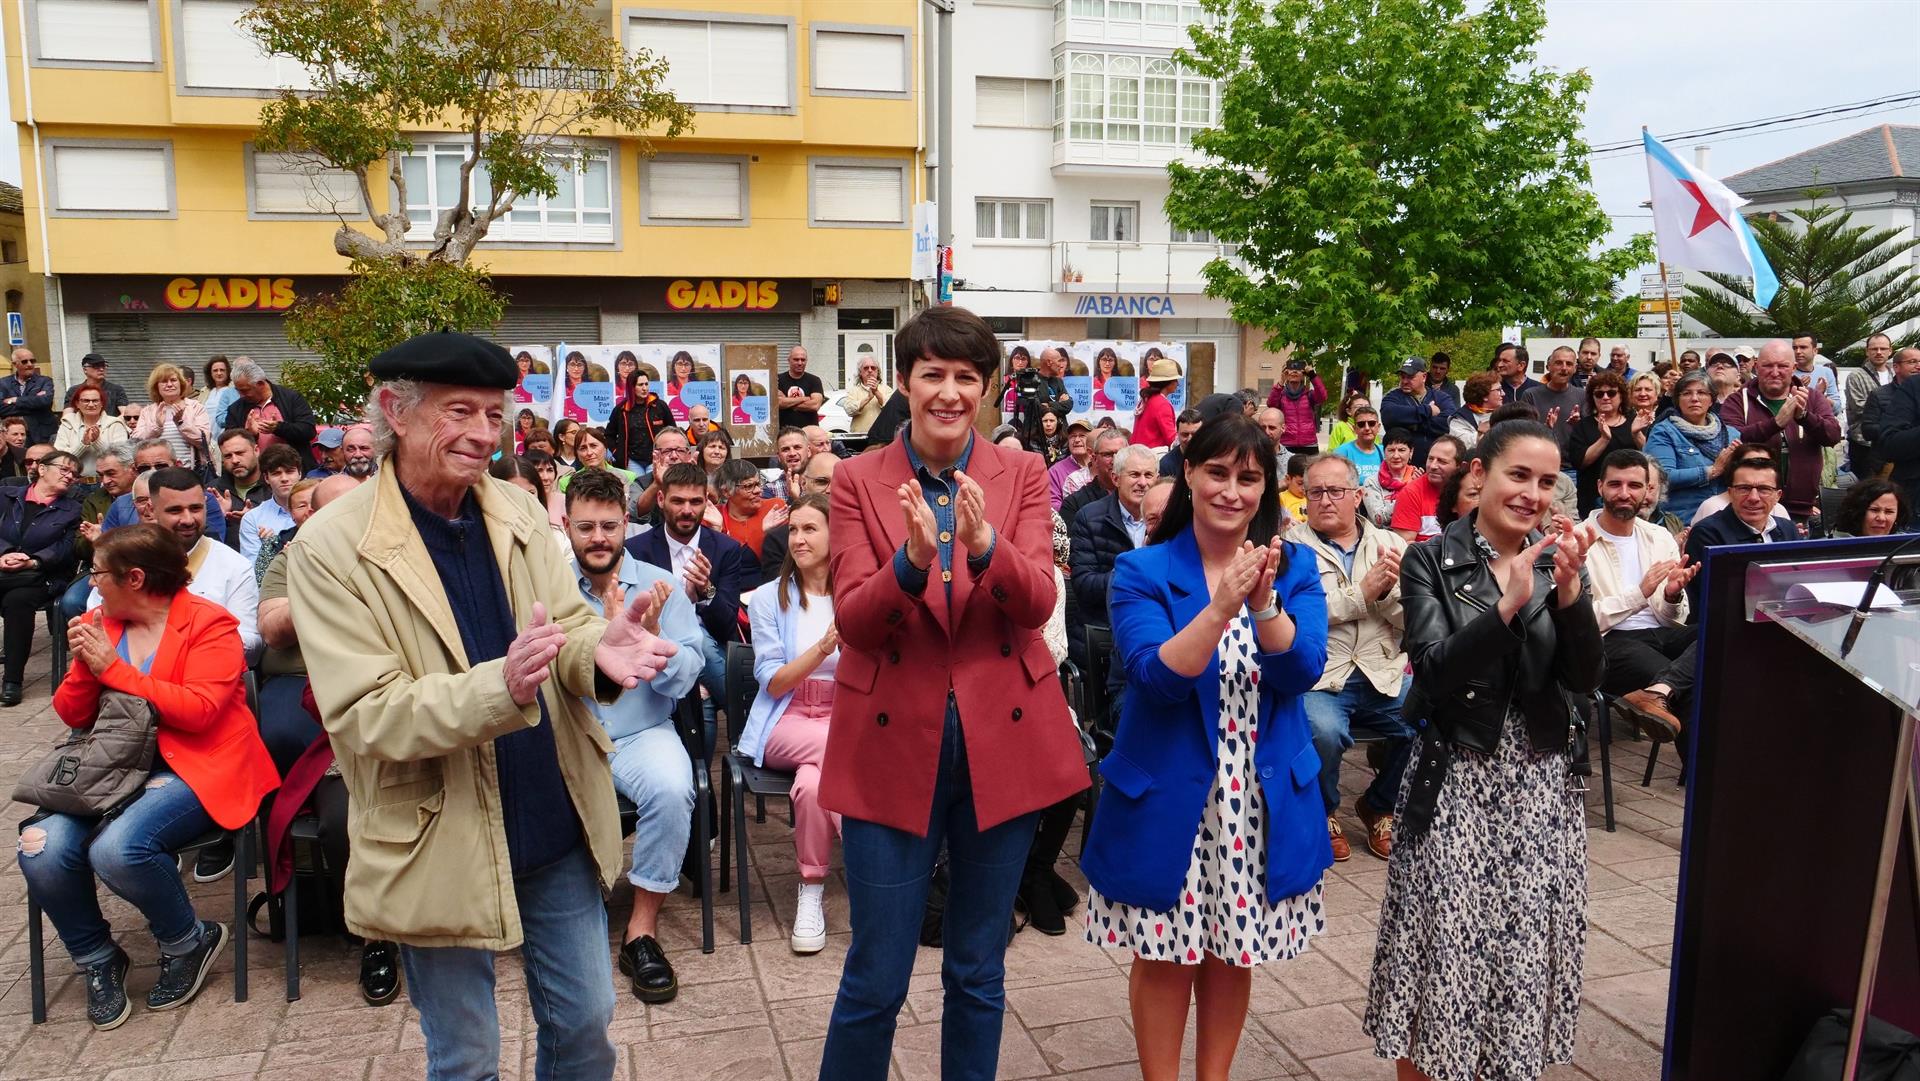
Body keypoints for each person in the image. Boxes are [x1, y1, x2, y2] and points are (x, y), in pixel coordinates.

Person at [287, 330, 681, 1079]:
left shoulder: (518, 509)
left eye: (494, 414)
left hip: (549, 809)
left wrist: (595, 649)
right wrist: (500, 686)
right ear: (395, 414)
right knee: (466, 1056)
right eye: (458, 410)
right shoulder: (331, 548)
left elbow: (560, 625)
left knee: (587, 1026)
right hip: (437, 830)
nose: (480, 433)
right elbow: (367, 713)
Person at [818, 305, 1086, 1080]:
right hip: (889, 741)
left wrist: (984, 546)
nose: (948, 391)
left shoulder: (1023, 474)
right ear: (904, 382)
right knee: (877, 975)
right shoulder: (856, 479)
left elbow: (1038, 601)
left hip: (1001, 743)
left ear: (987, 387)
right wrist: (907, 564)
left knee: (978, 967)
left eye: (965, 376)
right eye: (931, 373)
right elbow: (854, 623)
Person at [1081, 412, 1331, 1081]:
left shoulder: (1295, 563)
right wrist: (1221, 606)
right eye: (1216, 471)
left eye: (1249, 477)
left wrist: (1265, 604)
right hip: (1169, 793)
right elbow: (1156, 678)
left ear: (1266, 487)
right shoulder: (1142, 569)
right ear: (1186, 474)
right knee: (1166, 957)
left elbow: (1302, 668)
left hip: (1259, 794)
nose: (1232, 490)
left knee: (1232, 951)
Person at [1364, 419, 1603, 1081]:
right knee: (1441, 959)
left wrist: (1572, 597)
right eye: (1518, 474)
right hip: (1458, 781)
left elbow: (1585, 679)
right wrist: (1507, 608)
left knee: (1519, 963)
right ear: (1481, 475)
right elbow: (1435, 672)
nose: (1530, 492)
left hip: (1540, 787)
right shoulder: (1431, 560)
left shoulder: (1560, 558)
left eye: (1546, 481)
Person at [20, 524, 279, 1028]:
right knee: (40, 846)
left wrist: (112, 669)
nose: (92, 585)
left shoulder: (210, 624)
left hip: (198, 761)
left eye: (98, 574)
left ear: (134, 578)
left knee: (116, 849)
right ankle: (98, 958)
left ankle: (188, 940)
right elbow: (74, 716)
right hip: (112, 764)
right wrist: (83, 667)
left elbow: (201, 712)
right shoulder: (102, 622)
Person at [561, 467, 705, 1004]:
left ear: (627, 522)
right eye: (585, 527)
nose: (598, 538)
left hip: (643, 730)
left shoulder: (658, 583)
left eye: (608, 526)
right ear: (568, 527)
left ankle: (641, 930)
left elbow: (691, 671)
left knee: (673, 788)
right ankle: (569, 917)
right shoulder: (548, 586)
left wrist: (655, 640)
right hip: (572, 733)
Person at [739, 492, 847, 953]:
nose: (797, 539)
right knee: (839, 760)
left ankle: (812, 889)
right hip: (787, 718)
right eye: (794, 530)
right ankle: (875, 869)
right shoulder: (768, 598)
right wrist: (823, 649)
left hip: (846, 716)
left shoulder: (855, 593)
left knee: (812, 787)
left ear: (834, 534)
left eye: (810, 529)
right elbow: (774, 682)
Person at [1290, 453, 1411, 864]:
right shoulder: (1291, 549)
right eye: (1316, 492)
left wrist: (1393, 594)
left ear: (1357, 496)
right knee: (1321, 730)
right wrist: (1363, 593)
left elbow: (1414, 618)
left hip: (1382, 670)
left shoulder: (1391, 544)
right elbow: (1295, 618)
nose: (1325, 500)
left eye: (1336, 491)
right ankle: (1324, 811)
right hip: (1321, 674)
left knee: (1435, 713)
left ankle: (1380, 804)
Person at [626, 461, 754, 751]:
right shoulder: (637, 550)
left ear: (706, 502)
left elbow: (725, 625)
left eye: (696, 502)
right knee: (697, 655)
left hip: (713, 648)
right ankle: (749, 722)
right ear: (661, 500)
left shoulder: (725, 549)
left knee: (703, 697)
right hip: (662, 648)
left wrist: (706, 591)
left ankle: (701, 786)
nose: (687, 510)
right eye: (678, 501)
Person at [1585, 450, 1698, 744]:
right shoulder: (1576, 541)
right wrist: (1639, 594)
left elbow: (1675, 619)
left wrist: (1673, 596)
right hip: (1608, 643)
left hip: (1660, 633)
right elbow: (1581, 625)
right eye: (1615, 484)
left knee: (1723, 633)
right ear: (1600, 487)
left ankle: (1657, 692)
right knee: (1694, 685)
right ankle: (1701, 785)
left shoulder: (1658, 536)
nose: (1624, 493)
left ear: (1648, 489)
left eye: (1634, 485)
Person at [1720, 339, 1841, 529]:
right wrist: (1775, 424)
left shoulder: (1812, 397)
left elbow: (1833, 435)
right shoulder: (1737, 401)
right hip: (1750, 507)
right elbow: (1731, 440)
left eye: (1782, 366)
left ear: (1793, 368)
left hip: (1801, 509)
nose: (1775, 372)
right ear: (1757, 366)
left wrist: (1804, 417)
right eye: (1768, 366)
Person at [0, 448, 81, 703]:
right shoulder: (6, 496)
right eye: (64, 469)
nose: (70, 476)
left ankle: (12, 680)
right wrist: (4, 553)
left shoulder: (72, 510)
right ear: (42, 469)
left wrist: (34, 561)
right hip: (3, 568)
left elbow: (67, 547)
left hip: (42, 576)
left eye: (75, 474)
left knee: (18, 601)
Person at [1684, 453, 1798, 608]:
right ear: (1730, 493)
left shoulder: (1788, 529)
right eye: (1744, 488)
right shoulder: (1707, 533)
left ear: (1777, 496)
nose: (1753, 497)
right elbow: (1713, 598)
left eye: (1764, 489)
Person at [1645, 370, 1741, 524]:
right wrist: (1712, 471)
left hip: (1728, 519)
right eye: (1687, 393)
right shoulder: (1664, 432)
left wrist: (1739, 464)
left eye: (1702, 393)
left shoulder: (1731, 435)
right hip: (1683, 520)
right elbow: (1661, 477)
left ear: (1711, 400)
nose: (1694, 399)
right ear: (1678, 400)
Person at [1567, 370, 1647, 515]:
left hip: (1630, 496)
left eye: (1611, 393)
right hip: (1592, 498)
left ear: (1621, 396)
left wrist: (1636, 434)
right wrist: (1604, 439)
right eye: (1599, 394)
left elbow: (1650, 458)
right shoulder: (1583, 425)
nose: (1605, 397)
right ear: (1592, 398)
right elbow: (1580, 462)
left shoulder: (1635, 422)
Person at [223, 358, 318, 471]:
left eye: (245, 390)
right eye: (238, 391)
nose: (241, 396)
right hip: (257, 474)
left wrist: (279, 427)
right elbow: (228, 443)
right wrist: (249, 434)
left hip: (295, 470)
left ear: (261, 384)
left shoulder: (291, 398)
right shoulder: (235, 409)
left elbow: (308, 431)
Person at [758, 451, 837, 580]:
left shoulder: (861, 531)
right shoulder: (778, 540)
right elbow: (779, 591)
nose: (830, 489)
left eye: (838, 482)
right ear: (804, 483)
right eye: (822, 482)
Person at [132, 364, 213, 473]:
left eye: (173, 380)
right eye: (164, 381)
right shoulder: (148, 411)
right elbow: (136, 443)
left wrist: (181, 423)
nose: (169, 384)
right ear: (157, 387)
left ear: (181, 383)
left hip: (190, 472)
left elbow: (204, 441)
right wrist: (156, 427)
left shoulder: (195, 407)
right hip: (156, 473)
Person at [1388, 435, 1464, 543]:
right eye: (1431, 459)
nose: (1432, 466)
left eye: (1442, 461)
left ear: (1460, 466)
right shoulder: (1411, 493)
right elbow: (1404, 546)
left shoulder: (1467, 492)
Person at [237, 444, 304, 564]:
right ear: (266, 478)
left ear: (299, 473)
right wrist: (269, 549)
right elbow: (252, 571)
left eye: (289, 472)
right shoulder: (253, 519)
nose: (284, 478)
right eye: (276, 473)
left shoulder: (317, 508)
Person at [1379, 357, 1449, 466]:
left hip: (1435, 467)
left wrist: (1410, 424)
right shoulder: (1393, 397)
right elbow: (1389, 415)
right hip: (1401, 469)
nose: (1405, 381)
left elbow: (1448, 423)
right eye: (1402, 377)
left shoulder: (1441, 398)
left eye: (1410, 377)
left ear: (1424, 377)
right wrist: (1428, 410)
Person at [605, 366, 676, 473]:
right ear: (632, 387)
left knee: (656, 488)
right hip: (633, 461)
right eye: (640, 385)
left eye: (646, 384)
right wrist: (617, 452)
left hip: (656, 459)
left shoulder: (660, 406)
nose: (644, 388)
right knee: (637, 489)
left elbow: (673, 430)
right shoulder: (621, 410)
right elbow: (609, 435)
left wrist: (669, 451)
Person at [56, 384, 132, 481]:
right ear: (77, 404)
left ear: (102, 403)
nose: (91, 404)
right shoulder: (67, 424)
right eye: (86, 401)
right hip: (73, 482)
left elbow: (121, 458)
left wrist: (97, 442)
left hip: (107, 482)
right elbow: (59, 459)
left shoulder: (115, 424)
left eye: (95, 400)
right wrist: (83, 444)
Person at [1847, 333, 1897, 475]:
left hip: (1890, 442)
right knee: (1865, 491)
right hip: (1864, 443)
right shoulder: (1856, 376)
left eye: (1883, 348)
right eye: (1874, 349)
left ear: (1890, 351)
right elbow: (1858, 407)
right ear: (1867, 351)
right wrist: (1895, 412)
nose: (1879, 352)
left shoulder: (1895, 374)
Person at [1521, 346, 1586, 452]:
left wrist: (1579, 424)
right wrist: (1544, 429)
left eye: (1569, 364)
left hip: (1572, 464)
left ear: (1575, 368)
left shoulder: (1583, 396)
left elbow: (1589, 433)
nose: (1564, 368)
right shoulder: (1531, 395)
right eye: (1559, 363)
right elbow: (1522, 433)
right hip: (1539, 459)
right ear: (1548, 366)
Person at [628, 426, 695, 527]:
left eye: (680, 451)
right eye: (667, 451)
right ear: (656, 455)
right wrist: (656, 484)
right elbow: (634, 515)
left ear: (688, 455)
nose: (674, 456)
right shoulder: (642, 483)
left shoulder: (699, 481)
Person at [1266, 359, 1327, 456]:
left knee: (1310, 471)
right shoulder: (1280, 395)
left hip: (1309, 444)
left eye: (1298, 370)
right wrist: (1281, 381)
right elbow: (1271, 404)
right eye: (1291, 369)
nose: (1294, 372)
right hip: (1286, 443)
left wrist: (1312, 375)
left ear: (1303, 374)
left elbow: (1322, 396)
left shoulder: (1309, 395)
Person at [1360, 429, 1418, 526]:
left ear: (1411, 452)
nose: (1396, 455)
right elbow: (1378, 519)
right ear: (1384, 452)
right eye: (1391, 450)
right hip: (1383, 537)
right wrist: (1408, 492)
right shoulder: (1372, 482)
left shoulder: (1418, 478)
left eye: (1401, 450)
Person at [1, 348, 56, 443]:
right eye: (24, 361)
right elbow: (1, 408)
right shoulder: (3, 383)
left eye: (32, 361)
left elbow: (45, 401)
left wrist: (16, 400)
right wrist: (34, 403)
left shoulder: (44, 381)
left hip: (42, 434)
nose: (30, 364)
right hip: (13, 435)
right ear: (15, 364)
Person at [559, 426, 639, 492]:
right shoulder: (566, 483)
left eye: (593, 446)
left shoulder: (629, 477)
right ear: (577, 455)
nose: (589, 453)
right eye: (583, 448)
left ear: (605, 448)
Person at [1833, 477, 1910, 537]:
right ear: (1856, 512)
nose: (1881, 518)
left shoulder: (1909, 547)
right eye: (1874, 510)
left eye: (1889, 512)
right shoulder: (1831, 548)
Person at [1048, 418, 1094, 508]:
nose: (1077, 440)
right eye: (1073, 436)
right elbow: (1052, 503)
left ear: (1092, 441)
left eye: (1082, 436)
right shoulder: (1055, 471)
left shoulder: (1100, 466)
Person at [844, 352, 893, 435]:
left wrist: (876, 393)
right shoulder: (853, 391)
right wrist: (868, 398)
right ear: (860, 372)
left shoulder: (887, 389)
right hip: (859, 437)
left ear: (878, 371)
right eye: (866, 368)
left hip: (881, 437)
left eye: (873, 368)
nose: (870, 370)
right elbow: (849, 410)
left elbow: (892, 410)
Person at [1136, 358, 1180, 448]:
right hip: (1153, 456)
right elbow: (1172, 440)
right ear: (1168, 382)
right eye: (1175, 380)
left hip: (1138, 452)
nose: (1178, 383)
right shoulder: (1162, 404)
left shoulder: (1147, 399)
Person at [778, 346, 826, 429]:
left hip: (809, 433)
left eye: (803, 360)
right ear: (789, 360)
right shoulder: (778, 379)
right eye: (796, 359)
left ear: (806, 361)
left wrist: (788, 401)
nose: (800, 363)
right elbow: (778, 403)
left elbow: (815, 405)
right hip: (784, 432)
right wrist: (804, 398)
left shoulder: (814, 380)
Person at [75, 353, 132, 419]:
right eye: (96, 366)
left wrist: (108, 426)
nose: (101, 369)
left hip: (111, 427)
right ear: (85, 369)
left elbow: (125, 414)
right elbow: (67, 416)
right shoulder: (74, 390)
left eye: (104, 366)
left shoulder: (116, 390)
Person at [1332, 403, 1384, 473]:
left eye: (1371, 423)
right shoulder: (1342, 453)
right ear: (1354, 429)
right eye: (1361, 424)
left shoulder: (1385, 452)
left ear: (1378, 427)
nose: (1367, 428)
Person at [200, 355, 238, 427]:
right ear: (210, 373)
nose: (219, 373)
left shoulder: (234, 389)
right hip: (207, 435)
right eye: (215, 370)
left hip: (227, 434)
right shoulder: (204, 391)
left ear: (228, 372)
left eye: (222, 370)